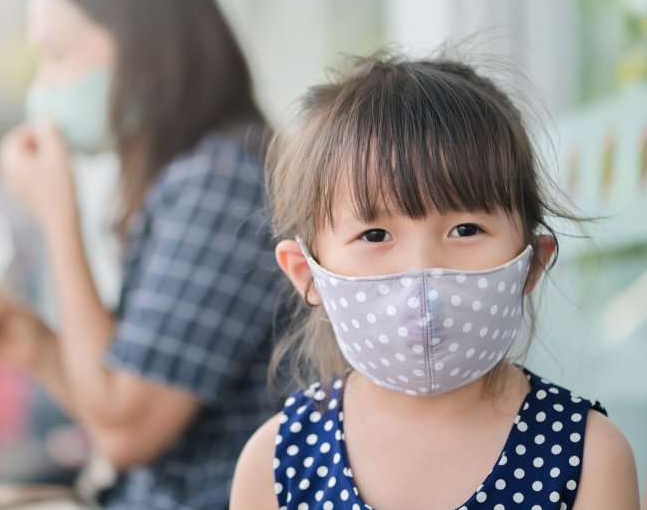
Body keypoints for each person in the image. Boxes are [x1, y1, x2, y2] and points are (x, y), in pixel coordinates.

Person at [231, 52, 640, 509]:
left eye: (465, 230)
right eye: (375, 234)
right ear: (307, 275)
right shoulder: (274, 461)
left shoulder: (589, 456)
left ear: (530, 264)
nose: (420, 269)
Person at [0, 0, 281, 508]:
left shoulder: (221, 181)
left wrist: (56, 215)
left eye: (57, 53)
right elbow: (124, 400)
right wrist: (42, 351)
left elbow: (124, 432)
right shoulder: (188, 174)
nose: (43, 86)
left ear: (151, 47)